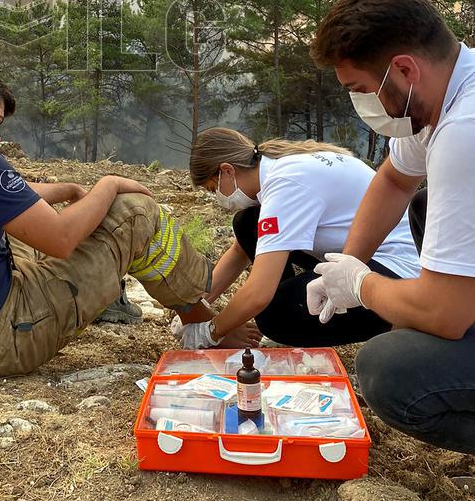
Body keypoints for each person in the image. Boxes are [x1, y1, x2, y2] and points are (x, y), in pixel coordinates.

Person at [0, 67, 258, 376]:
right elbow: (59, 239)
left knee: (24, 223)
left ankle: (110, 292)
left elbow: (14, 196)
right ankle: (200, 320)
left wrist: (72, 190)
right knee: (136, 213)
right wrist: (107, 185)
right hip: (0, 341)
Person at [307, 0, 475, 454]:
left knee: (392, 369)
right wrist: (346, 262)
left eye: (361, 89)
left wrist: (361, 286)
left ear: (403, 68)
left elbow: (445, 315)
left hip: (452, 309)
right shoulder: (443, 95)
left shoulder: (465, 130)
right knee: (424, 205)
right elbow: (395, 180)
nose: (362, 105)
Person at [175, 128, 419, 350]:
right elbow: (240, 251)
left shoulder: (285, 184)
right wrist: (196, 304)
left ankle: (396, 323)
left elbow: (259, 294)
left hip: (395, 275)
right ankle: (291, 297)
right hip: (363, 252)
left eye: (211, 188)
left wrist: (211, 332)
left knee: (274, 316)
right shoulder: (281, 164)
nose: (216, 196)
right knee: (248, 223)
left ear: (227, 170)